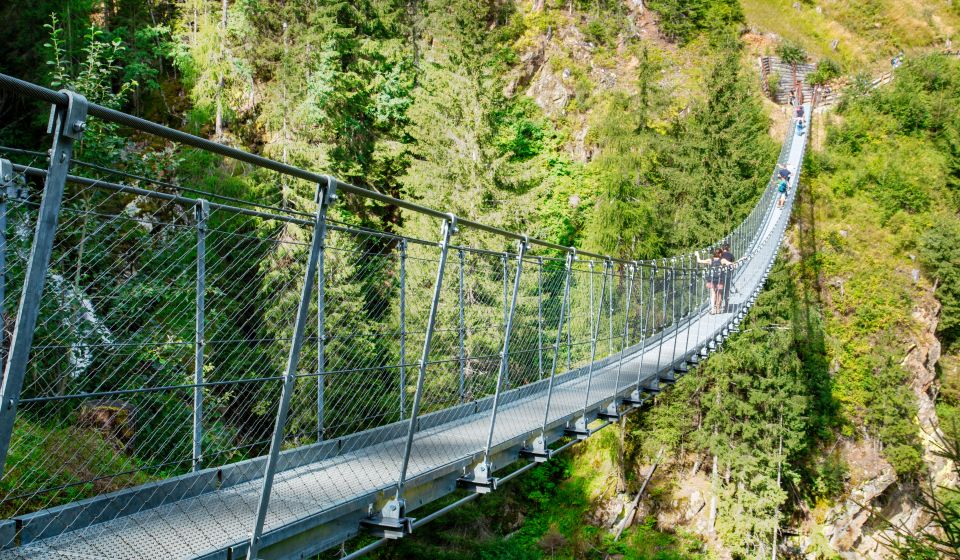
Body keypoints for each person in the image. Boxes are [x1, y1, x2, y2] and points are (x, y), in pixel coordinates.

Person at [697, 248, 733, 314]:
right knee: (719, 294)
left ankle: (713, 309)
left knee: (713, 294)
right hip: (720, 278)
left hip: (712, 279)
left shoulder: (710, 260)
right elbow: (730, 263)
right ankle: (718, 309)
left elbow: (699, 261)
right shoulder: (722, 260)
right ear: (720, 254)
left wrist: (697, 255)